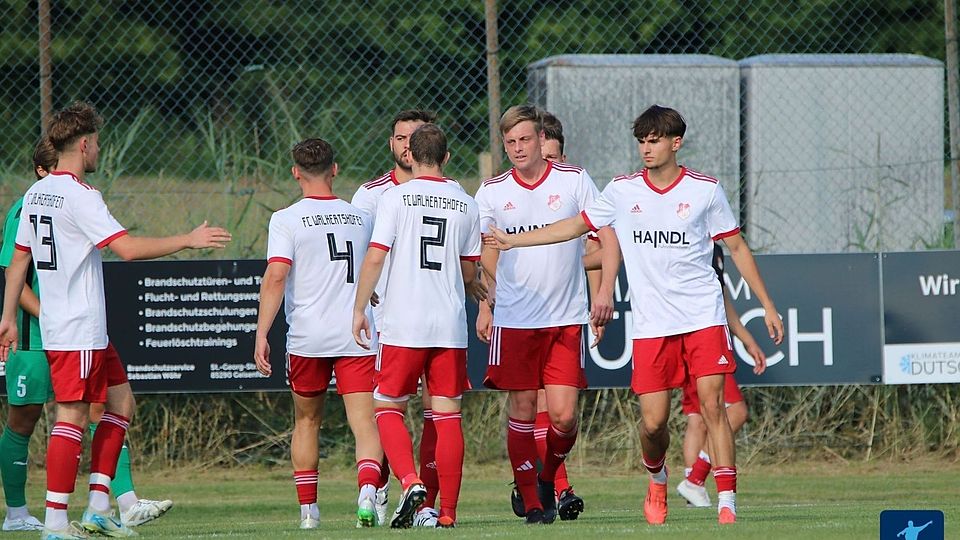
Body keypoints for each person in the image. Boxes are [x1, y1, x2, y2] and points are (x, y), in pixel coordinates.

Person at [486, 105, 784, 525]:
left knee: (715, 406)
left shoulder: (705, 190)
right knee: (653, 423)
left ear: (675, 143)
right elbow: (575, 227)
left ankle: (727, 505)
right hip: (653, 325)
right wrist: (519, 242)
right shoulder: (623, 191)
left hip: (702, 315)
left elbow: (736, 249)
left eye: (655, 140)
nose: (646, 148)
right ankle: (658, 476)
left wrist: (767, 307)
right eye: (641, 141)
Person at [0, 101, 230, 539]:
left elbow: (18, 260)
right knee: (71, 416)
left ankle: (99, 507)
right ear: (83, 144)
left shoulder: (35, 193)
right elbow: (126, 249)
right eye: (98, 144)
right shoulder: (80, 195)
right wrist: (187, 239)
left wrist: (9, 316)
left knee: (121, 403)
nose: (99, 151)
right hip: (78, 325)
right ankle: (53, 523)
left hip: (82, 329)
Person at [0, 138, 173, 533]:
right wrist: (21, 317)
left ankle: (110, 504)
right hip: (46, 333)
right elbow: (14, 266)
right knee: (42, 417)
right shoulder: (35, 204)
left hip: (82, 328)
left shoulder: (50, 197)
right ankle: (32, 516)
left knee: (117, 402)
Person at [474, 105, 618, 525]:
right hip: (515, 320)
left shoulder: (573, 179)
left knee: (564, 416)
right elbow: (487, 249)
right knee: (521, 409)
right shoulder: (492, 191)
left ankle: (547, 476)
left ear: (540, 139)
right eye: (510, 142)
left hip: (565, 318)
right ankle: (534, 505)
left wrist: (604, 290)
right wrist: (487, 302)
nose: (518, 149)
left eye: (524, 140)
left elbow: (602, 233)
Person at [352, 124, 485, 529]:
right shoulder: (466, 202)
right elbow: (467, 270)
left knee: (387, 406)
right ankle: (447, 514)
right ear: (446, 158)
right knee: (447, 417)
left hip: (404, 322)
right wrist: (475, 288)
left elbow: (375, 257)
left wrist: (359, 307)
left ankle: (409, 481)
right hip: (448, 324)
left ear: (410, 155)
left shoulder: (394, 197)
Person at [253, 138, 385, 529]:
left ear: (296, 173)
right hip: (355, 334)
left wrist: (262, 332)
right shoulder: (360, 217)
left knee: (307, 422)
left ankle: (309, 512)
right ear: (335, 170)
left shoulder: (286, 218)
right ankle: (366, 492)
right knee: (365, 422)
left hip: (308, 337)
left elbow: (277, 277)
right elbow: (369, 270)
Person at [351, 109, 441, 528]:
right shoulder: (371, 196)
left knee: (435, 414)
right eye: (401, 137)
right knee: (387, 412)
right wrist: (361, 309)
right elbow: (362, 261)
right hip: (388, 323)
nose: (408, 144)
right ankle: (389, 486)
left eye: (415, 137)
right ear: (392, 144)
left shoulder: (449, 193)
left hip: (434, 321)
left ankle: (424, 500)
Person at [676, 243, 767, 508]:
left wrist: (748, 340)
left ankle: (694, 486)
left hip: (699, 338)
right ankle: (695, 479)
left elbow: (721, 298)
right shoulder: (681, 236)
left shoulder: (712, 246)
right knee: (733, 411)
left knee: (699, 417)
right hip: (694, 338)